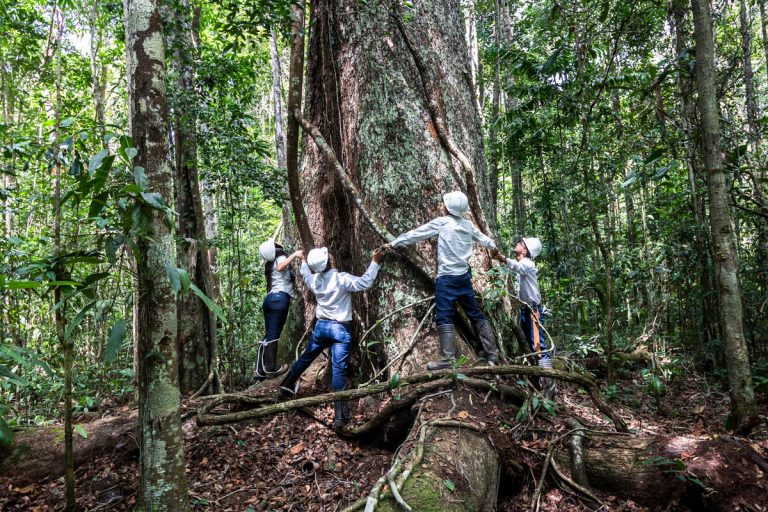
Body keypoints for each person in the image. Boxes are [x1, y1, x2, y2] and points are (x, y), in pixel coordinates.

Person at [387, 191, 500, 370]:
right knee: (475, 314)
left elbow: (418, 234)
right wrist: (495, 250)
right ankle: (493, 354)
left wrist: (394, 243)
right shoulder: (468, 225)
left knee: (444, 315)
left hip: (446, 279)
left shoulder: (442, 222)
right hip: (464, 278)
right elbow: (486, 241)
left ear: (447, 207)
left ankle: (448, 358)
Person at [278, 246, 386, 429]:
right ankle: (339, 417)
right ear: (330, 262)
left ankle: (285, 386)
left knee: (306, 358)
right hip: (339, 329)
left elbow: (305, 273)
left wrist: (303, 260)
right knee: (338, 371)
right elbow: (364, 283)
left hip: (321, 328)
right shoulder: (342, 279)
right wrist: (375, 262)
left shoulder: (315, 280)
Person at [493, 237, 554, 390]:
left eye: (521, 244)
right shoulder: (523, 264)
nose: (518, 244)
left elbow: (517, 267)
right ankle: (538, 379)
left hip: (532, 310)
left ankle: (549, 383)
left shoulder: (527, 263)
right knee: (528, 344)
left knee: (538, 345)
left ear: (525, 250)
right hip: (525, 310)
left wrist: (502, 258)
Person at [254, 240, 303, 382]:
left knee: (269, 334)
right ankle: (270, 368)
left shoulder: (269, 263)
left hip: (269, 299)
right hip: (279, 299)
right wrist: (295, 254)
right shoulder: (280, 257)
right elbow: (281, 267)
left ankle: (259, 370)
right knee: (273, 334)